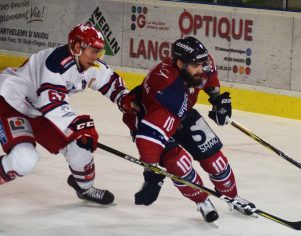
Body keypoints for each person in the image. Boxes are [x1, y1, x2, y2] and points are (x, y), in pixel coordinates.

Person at [123, 36, 255, 223]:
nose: (201, 69)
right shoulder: (166, 89)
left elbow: (209, 80)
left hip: (181, 112)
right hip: (151, 121)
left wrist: (217, 99)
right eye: (196, 65)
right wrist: (151, 175)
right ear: (179, 63)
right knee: (179, 164)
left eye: (202, 63)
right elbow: (148, 139)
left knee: (215, 159)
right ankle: (202, 201)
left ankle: (232, 196)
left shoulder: (201, 64)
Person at [0, 24, 133, 205]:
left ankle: (84, 188)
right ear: (78, 47)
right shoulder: (54, 63)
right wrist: (81, 126)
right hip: (11, 102)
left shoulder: (89, 63)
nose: (96, 57)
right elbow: (53, 105)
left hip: (38, 110)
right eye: (93, 51)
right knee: (25, 158)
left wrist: (125, 100)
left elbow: (111, 82)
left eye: (99, 52)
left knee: (80, 147)